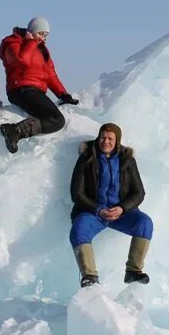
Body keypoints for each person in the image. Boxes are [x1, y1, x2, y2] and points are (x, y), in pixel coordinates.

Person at [69, 122, 152, 287]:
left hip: (120, 213)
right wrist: (98, 210)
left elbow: (139, 192)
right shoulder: (87, 158)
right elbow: (76, 192)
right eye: (102, 137)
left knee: (144, 223)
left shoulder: (127, 160)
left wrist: (122, 208)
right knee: (79, 230)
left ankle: (133, 271)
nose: (105, 141)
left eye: (110, 138)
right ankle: (90, 277)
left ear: (117, 140)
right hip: (93, 213)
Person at [0, 16, 79, 154]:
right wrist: (30, 42)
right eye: (40, 34)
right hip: (20, 89)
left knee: (56, 120)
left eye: (45, 35)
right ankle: (14, 130)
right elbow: (21, 62)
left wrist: (63, 94)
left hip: (36, 92)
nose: (43, 38)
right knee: (57, 120)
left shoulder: (41, 50)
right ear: (31, 31)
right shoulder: (13, 43)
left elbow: (50, 75)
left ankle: (15, 130)